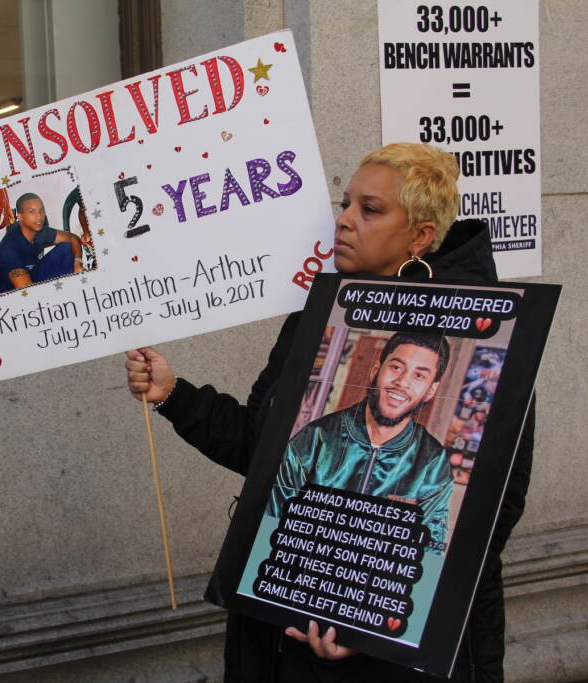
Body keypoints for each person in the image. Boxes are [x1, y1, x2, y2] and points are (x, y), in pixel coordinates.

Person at [125, 143, 533, 682]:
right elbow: (262, 446)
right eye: (346, 203)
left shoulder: (488, 324)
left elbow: (489, 512)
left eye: (370, 209)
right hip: (283, 630)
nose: (344, 220)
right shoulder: (322, 312)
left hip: (401, 647)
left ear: (420, 237)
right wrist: (175, 394)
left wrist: (367, 621)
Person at [268, 332, 453, 551]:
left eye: (419, 376)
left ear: (431, 390)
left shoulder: (432, 462)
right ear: (376, 370)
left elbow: (428, 552)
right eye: (396, 367)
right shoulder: (316, 438)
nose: (402, 382)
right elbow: (272, 525)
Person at [0, 192, 83, 295]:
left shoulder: (39, 230)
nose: (39, 216)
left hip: (33, 276)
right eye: (32, 212)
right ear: (20, 217)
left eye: (41, 210)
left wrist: (78, 262)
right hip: (11, 297)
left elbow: (72, 238)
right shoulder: (10, 250)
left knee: (67, 248)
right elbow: (30, 296)